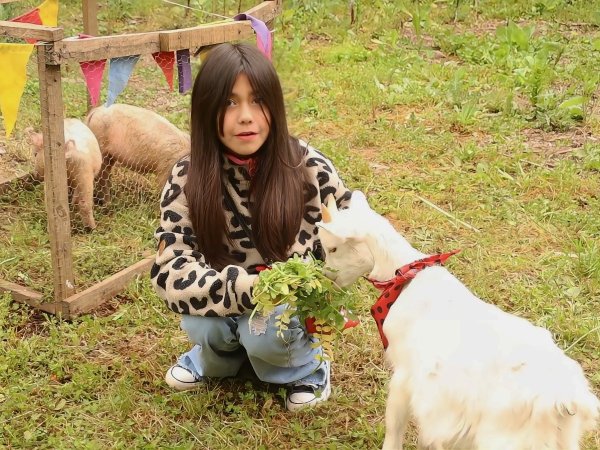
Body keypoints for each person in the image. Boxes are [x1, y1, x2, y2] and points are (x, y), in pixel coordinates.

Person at [150, 42, 351, 412]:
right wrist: (248, 289)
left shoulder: (309, 167)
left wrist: (322, 298)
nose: (246, 116)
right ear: (206, 109)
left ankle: (307, 368)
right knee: (202, 326)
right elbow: (170, 271)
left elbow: (352, 235)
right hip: (225, 295)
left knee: (264, 332)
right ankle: (215, 360)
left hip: (283, 306)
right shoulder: (187, 176)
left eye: (257, 100)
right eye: (229, 102)